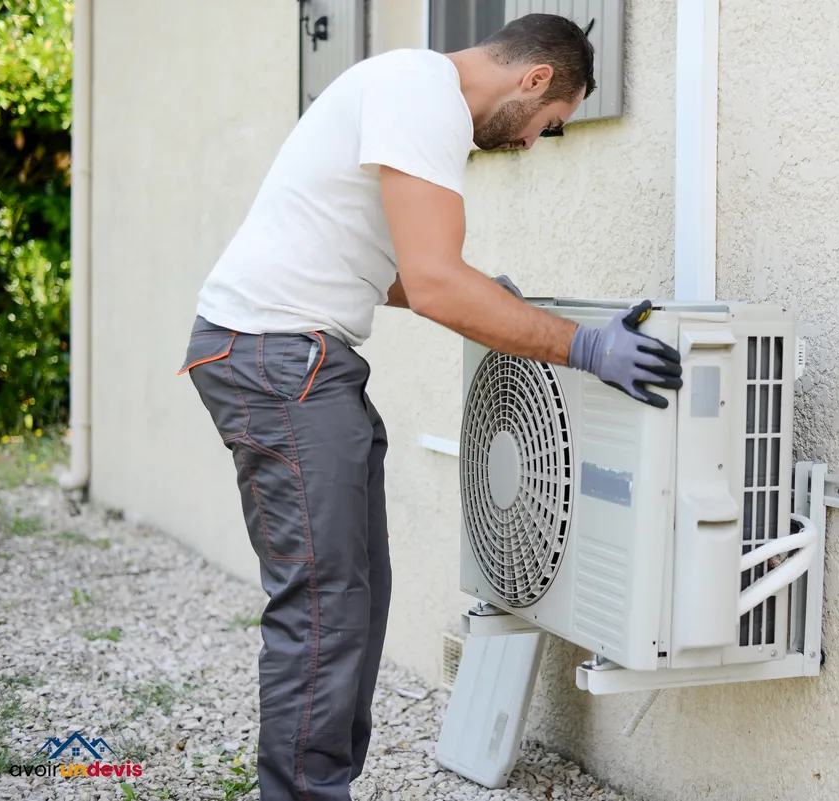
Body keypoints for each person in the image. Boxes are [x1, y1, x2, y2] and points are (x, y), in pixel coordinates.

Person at [176, 13, 682, 801]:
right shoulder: (423, 96)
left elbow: (383, 271)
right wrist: (584, 346)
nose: (530, 145)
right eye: (549, 128)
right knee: (325, 604)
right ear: (535, 79)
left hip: (290, 357)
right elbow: (440, 282)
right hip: (281, 362)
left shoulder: (404, 90)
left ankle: (320, 785)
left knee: (356, 592)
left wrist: (489, 301)